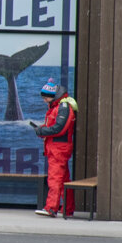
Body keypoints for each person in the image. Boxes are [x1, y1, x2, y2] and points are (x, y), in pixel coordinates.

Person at [33, 78, 78, 217]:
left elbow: (59, 128)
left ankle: (51, 208)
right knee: (63, 179)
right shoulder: (59, 107)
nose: (44, 101)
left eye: (46, 98)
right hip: (57, 147)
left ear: (52, 96)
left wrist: (42, 131)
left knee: (55, 178)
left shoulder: (63, 108)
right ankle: (68, 208)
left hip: (58, 148)